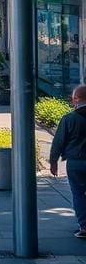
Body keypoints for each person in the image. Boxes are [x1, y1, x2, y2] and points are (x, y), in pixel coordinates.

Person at [49, 85, 86, 239]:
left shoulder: (69, 119)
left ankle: (84, 226)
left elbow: (58, 142)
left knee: (78, 194)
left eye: (73, 98)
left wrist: (53, 162)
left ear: (76, 100)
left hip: (76, 163)